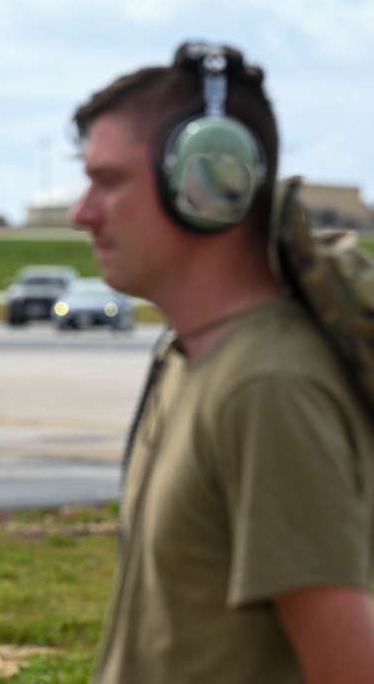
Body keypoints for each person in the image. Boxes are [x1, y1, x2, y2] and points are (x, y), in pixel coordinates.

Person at [70, 42, 374, 683]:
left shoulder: (267, 388)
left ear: (209, 181)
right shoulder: (188, 357)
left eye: (110, 180)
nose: (82, 213)